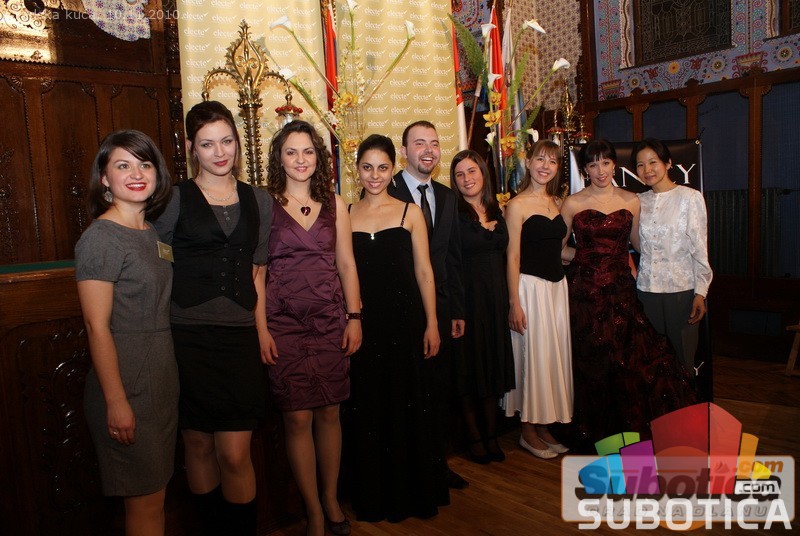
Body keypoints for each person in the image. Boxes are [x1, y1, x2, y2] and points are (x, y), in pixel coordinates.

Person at [153, 101, 272, 534]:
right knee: (198, 444)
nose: (219, 152)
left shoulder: (259, 199)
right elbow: (157, 265)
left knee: (235, 454)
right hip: (186, 336)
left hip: (239, 337)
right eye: (207, 144)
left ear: (237, 143)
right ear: (191, 148)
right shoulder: (173, 199)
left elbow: (258, 271)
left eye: (226, 141)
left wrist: (262, 330)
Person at [560, 139, 695, 452]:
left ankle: (633, 432)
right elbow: (559, 249)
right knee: (594, 362)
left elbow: (638, 245)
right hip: (586, 295)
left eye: (606, 162)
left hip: (622, 292)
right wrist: (589, 258)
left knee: (634, 361)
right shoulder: (572, 203)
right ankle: (598, 434)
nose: (600, 170)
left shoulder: (632, 200)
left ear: (614, 165)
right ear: (585, 169)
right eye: (593, 164)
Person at [76, 130, 177, 535]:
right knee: (145, 504)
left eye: (145, 164)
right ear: (104, 178)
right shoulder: (101, 237)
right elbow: (96, 326)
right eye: (123, 165)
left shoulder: (149, 231)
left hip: (159, 382)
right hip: (127, 384)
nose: (136, 174)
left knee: (156, 498)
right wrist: (116, 402)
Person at [263, 120, 361, 536]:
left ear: (319, 158)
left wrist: (354, 317)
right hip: (282, 325)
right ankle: (313, 511)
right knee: (297, 420)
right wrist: (261, 329)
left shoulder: (336, 203)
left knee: (330, 413)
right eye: (291, 152)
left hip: (328, 321)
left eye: (308, 152)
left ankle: (331, 498)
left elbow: (347, 265)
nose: (300, 160)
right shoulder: (265, 204)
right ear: (279, 158)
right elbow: (257, 272)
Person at [345, 134, 443, 521]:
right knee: (369, 406)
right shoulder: (345, 213)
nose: (375, 175)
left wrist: (432, 323)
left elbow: (425, 272)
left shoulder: (409, 213)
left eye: (382, 167)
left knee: (406, 404)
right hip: (364, 325)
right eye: (367, 167)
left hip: (406, 323)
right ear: (356, 170)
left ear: (393, 169)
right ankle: (373, 494)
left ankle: (409, 493)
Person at [388, 120, 466, 493]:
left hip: (442, 308)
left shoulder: (447, 197)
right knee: (405, 391)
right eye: (419, 143)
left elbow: (452, 257)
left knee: (438, 390)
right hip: (400, 307)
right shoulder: (386, 189)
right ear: (404, 151)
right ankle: (408, 469)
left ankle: (438, 464)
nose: (428, 150)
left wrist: (457, 310)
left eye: (434, 143)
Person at [502, 140, 573, 459]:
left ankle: (544, 424)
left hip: (556, 291)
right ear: (528, 162)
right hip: (529, 289)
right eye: (540, 159)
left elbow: (560, 250)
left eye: (553, 161)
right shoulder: (516, 205)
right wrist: (514, 302)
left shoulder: (558, 202)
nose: (546, 166)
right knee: (531, 357)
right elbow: (513, 256)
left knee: (550, 358)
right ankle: (527, 430)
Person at [450, 150, 514, 464]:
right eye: (460, 174)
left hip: (496, 300)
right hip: (468, 301)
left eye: (472, 171)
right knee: (469, 369)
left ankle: (491, 435)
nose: (467, 179)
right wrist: (456, 309)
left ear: (483, 173)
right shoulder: (453, 214)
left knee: (491, 367)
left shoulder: (497, 208)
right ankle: (474, 438)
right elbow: (449, 263)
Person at [633, 138, 713, 379]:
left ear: (668, 163)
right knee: (650, 363)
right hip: (646, 291)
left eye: (653, 162)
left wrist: (700, 292)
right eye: (640, 165)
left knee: (682, 361)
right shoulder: (638, 201)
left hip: (681, 291)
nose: (647, 170)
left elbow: (700, 247)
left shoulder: (690, 197)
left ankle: (685, 404)